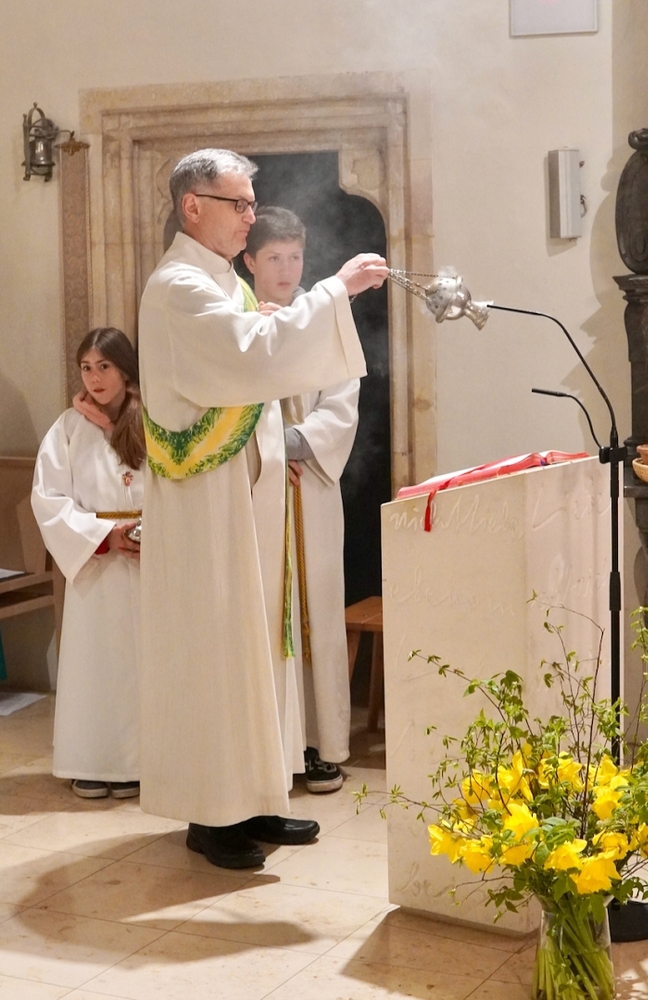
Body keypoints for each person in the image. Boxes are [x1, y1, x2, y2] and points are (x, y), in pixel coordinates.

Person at [138, 147, 387, 869]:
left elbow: (265, 346)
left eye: (252, 203)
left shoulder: (221, 281)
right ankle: (213, 815)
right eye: (238, 203)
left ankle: (256, 795)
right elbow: (252, 354)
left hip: (247, 502)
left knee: (256, 648)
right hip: (209, 507)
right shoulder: (180, 286)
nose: (251, 216)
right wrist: (335, 291)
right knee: (221, 651)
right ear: (193, 207)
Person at [244, 207, 358, 793]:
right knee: (264, 615)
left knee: (317, 612)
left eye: (295, 257)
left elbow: (340, 407)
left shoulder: (326, 317)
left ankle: (320, 743)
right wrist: (268, 452)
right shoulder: (237, 319)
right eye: (274, 258)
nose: (286, 269)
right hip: (256, 490)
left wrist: (290, 446)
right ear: (250, 261)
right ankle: (270, 748)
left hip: (309, 487)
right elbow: (224, 403)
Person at [31, 327, 144, 799]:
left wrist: (152, 534)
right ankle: (93, 761)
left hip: (146, 563)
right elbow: (48, 498)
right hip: (96, 567)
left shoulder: (152, 423)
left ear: (125, 370)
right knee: (96, 666)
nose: (94, 378)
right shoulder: (68, 429)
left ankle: (141, 761)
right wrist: (103, 537)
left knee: (142, 664)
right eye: (86, 368)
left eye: (104, 367)